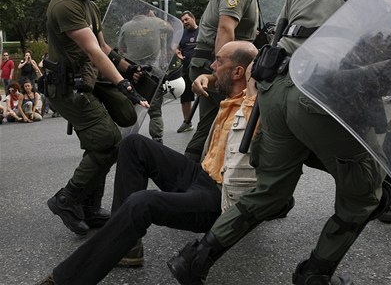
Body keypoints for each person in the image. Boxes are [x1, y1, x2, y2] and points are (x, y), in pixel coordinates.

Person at [167, 0, 391, 285]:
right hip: (322, 93)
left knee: (270, 191)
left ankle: (195, 258)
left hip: (277, 92)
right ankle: (315, 274)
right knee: (366, 192)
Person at [35, 40, 260, 285]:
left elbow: (258, 98)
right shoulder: (232, 91)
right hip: (200, 176)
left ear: (240, 72)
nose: (213, 66)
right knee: (133, 145)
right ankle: (127, 245)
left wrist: (249, 75)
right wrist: (208, 77)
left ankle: (64, 281)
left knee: (141, 203)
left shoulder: (260, 106)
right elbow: (225, 77)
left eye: (219, 61)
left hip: (218, 197)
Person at [44, 0, 149, 236]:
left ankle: (89, 208)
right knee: (108, 141)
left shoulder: (89, 3)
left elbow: (104, 46)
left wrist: (128, 67)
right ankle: (66, 200)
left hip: (85, 79)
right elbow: (94, 52)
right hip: (66, 87)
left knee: (121, 122)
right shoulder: (65, 4)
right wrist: (122, 82)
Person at [184, 0, 293, 162]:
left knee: (210, 123)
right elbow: (225, 29)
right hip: (215, 62)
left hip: (211, 61)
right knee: (242, 120)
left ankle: (189, 176)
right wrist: (222, 73)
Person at [118, 8, 173, 143]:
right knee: (155, 111)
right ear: (148, 11)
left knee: (131, 109)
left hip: (132, 72)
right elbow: (171, 29)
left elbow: (120, 49)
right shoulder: (155, 22)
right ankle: (157, 139)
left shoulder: (126, 27)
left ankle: (131, 139)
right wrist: (154, 18)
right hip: (153, 72)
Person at [176, 10, 199, 133]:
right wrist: (177, 52)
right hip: (185, 70)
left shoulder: (202, 32)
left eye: (186, 19)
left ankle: (206, 122)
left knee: (205, 97)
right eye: (183, 21)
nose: (185, 22)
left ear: (193, 18)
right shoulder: (182, 34)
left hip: (201, 70)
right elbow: (175, 47)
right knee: (185, 98)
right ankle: (187, 122)